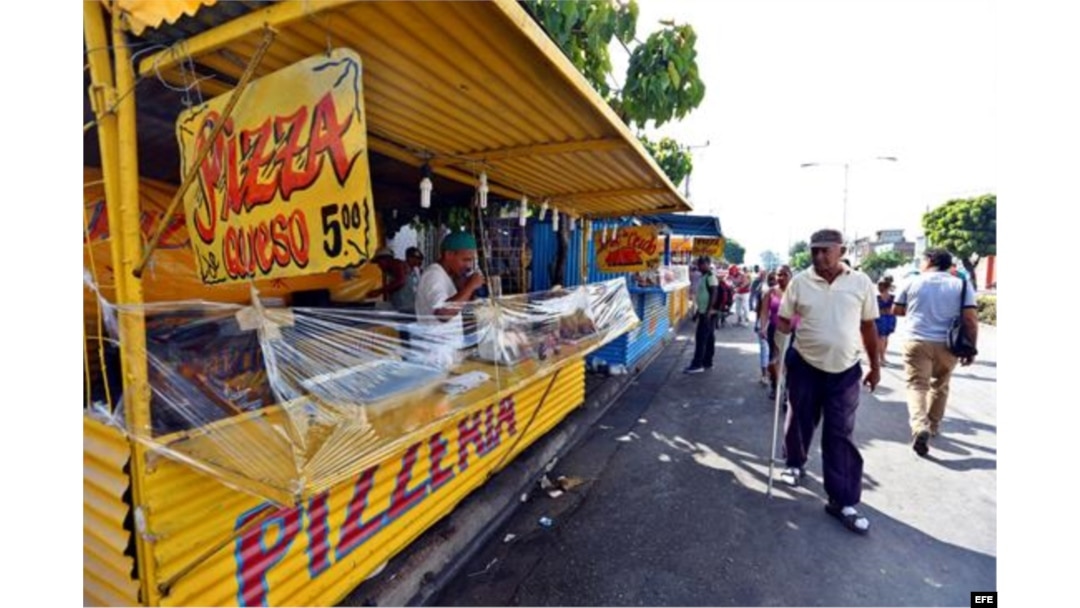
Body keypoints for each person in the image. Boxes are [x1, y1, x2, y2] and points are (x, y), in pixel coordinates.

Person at [774, 228, 880, 535]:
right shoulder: (800, 281)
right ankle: (795, 463)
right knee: (799, 419)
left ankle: (843, 500)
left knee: (840, 432)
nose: (819, 256)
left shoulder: (860, 282)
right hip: (805, 362)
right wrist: (785, 328)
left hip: (845, 369)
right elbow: (785, 319)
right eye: (814, 251)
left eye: (826, 251)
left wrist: (875, 365)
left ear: (841, 251)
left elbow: (868, 325)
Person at [892, 248, 978, 456]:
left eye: (922, 260)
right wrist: (971, 348)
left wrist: (918, 308)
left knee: (916, 386)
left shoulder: (912, 281)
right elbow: (970, 319)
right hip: (949, 344)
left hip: (916, 341)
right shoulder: (961, 284)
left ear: (929, 260)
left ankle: (920, 426)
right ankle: (933, 426)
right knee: (940, 385)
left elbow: (897, 309)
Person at [414, 231, 487, 368]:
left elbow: (457, 304)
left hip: (447, 352)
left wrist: (464, 286)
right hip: (435, 355)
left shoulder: (448, 276)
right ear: (448, 255)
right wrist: (470, 287)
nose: (469, 265)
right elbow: (443, 313)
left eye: (471, 260)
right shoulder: (433, 275)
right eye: (465, 259)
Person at [757, 265, 794, 400]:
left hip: (794, 332)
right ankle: (775, 385)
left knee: (791, 361)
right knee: (775, 360)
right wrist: (762, 328)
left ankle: (788, 392)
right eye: (779, 274)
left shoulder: (796, 292)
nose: (781, 277)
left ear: (791, 275)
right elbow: (764, 311)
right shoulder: (771, 292)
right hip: (774, 330)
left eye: (784, 274)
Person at [685, 256, 719, 373]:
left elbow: (714, 293)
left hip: (707, 313)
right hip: (704, 311)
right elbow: (703, 295)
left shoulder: (710, 276)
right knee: (708, 338)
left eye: (702, 264)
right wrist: (698, 312)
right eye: (699, 264)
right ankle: (707, 362)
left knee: (701, 339)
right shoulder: (704, 276)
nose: (700, 266)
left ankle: (697, 364)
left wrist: (708, 311)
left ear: (708, 264)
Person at [367, 248, 418, 314]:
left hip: (405, 307)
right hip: (399, 307)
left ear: (384, 260)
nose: (379, 266)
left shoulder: (397, 264)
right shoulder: (392, 270)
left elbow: (401, 281)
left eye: (379, 263)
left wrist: (379, 291)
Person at [875, 277, 897, 367]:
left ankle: (881, 358)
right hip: (889, 318)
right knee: (884, 338)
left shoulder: (877, 298)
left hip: (880, 319)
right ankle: (882, 358)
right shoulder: (893, 297)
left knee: (882, 338)